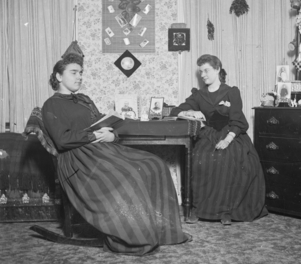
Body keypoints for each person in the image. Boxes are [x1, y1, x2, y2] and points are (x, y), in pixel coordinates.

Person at [42, 53, 190, 256]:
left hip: (101, 149)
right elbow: (62, 140)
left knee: (155, 164)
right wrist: (93, 134)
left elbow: (102, 121)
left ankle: (162, 230)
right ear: (58, 76)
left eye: (81, 73)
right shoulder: (52, 105)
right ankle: (136, 236)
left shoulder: (84, 99)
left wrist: (113, 134)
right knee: (129, 174)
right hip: (77, 159)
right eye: (74, 73)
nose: (79, 77)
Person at [170, 54, 268, 225]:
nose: (203, 75)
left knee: (228, 158)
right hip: (208, 135)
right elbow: (176, 110)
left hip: (232, 135)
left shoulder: (231, 92)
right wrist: (191, 113)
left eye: (206, 70)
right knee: (200, 158)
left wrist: (227, 140)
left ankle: (226, 211)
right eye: (200, 72)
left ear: (217, 69)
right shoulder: (198, 95)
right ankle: (200, 209)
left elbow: (237, 120)